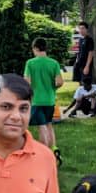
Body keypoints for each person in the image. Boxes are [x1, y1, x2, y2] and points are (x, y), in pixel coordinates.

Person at [24, 37, 64, 166]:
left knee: (42, 127)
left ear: (35, 48)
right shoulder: (54, 63)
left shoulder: (30, 63)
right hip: (50, 99)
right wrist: (52, 88)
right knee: (48, 124)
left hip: (36, 100)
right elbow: (59, 82)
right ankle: (54, 149)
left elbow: (27, 82)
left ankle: (45, 156)